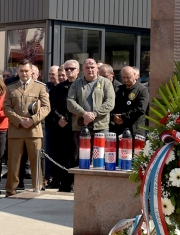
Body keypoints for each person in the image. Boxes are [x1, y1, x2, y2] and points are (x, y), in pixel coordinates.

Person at [4, 59, 51, 195]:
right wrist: (19, 120)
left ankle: (37, 187)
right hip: (16, 130)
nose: (24, 73)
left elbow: (46, 107)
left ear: (32, 72)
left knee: (35, 161)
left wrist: (32, 120)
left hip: (34, 130)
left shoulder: (40, 87)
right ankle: (10, 189)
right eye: (21, 71)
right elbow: (6, 107)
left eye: (26, 71)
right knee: (14, 162)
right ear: (17, 72)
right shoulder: (11, 87)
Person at [67, 58, 115, 190]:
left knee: (100, 158)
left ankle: (101, 187)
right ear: (83, 70)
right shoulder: (76, 84)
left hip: (100, 127)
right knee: (82, 158)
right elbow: (70, 102)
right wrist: (84, 114)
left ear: (97, 68)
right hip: (81, 127)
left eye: (92, 67)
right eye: (87, 68)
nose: (90, 70)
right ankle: (84, 188)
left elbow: (110, 102)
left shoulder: (106, 83)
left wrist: (94, 114)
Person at [47, 60, 78, 191]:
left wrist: (69, 118)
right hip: (61, 126)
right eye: (67, 69)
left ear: (77, 70)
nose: (69, 71)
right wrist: (59, 117)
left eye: (72, 69)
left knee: (75, 156)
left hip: (76, 126)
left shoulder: (80, 85)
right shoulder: (59, 87)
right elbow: (51, 106)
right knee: (61, 155)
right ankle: (62, 182)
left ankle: (73, 182)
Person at [110, 66, 150, 138]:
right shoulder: (118, 90)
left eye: (128, 77)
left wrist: (123, 117)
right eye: (123, 78)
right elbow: (111, 107)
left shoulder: (142, 90)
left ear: (135, 75)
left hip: (135, 130)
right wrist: (114, 117)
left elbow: (141, 109)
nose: (125, 80)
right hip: (119, 130)